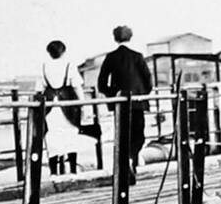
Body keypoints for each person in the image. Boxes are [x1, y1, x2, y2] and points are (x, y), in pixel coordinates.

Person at [97, 25, 152, 184]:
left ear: (115, 38)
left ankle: (126, 164)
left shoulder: (111, 57)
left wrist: (114, 94)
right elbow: (148, 82)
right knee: (138, 136)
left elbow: (101, 84)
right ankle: (131, 159)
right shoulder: (137, 56)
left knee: (122, 136)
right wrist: (141, 95)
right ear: (130, 37)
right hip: (137, 103)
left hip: (119, 105)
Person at [36, 40, 86, 176]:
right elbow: (77, 86)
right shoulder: (69, 65)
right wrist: (83, 105)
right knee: (71, 135)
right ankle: (73, 170)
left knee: (52, 137)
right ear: (63, 51)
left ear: (49, 52)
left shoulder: (43, 67)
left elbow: (39, 89)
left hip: (51, 105)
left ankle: (54, 172)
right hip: (68, 104)